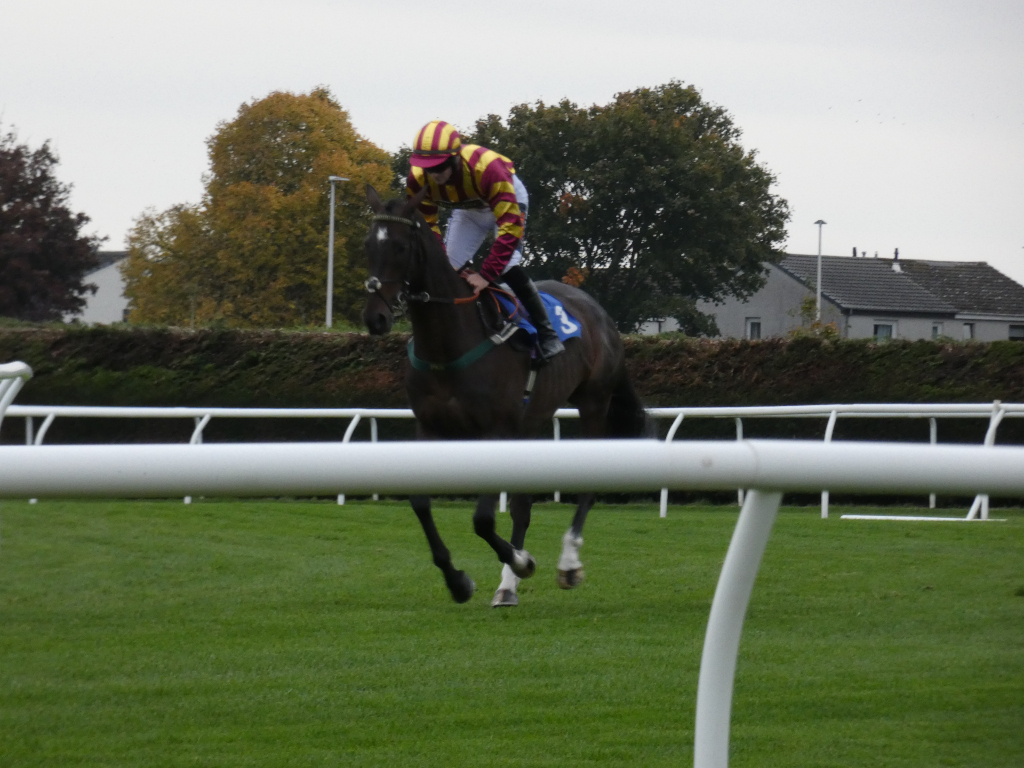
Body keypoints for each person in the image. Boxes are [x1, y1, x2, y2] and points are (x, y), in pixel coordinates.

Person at [406, 120, 565, 364]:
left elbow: (510, 228)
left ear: (455, 158)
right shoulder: (418, 179)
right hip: (469, 209)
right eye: (428, 168)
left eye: (439, 167)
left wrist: (487, 275)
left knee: (508, 266)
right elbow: (429, 227)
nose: (434, 174)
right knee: (444, 271)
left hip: (505, 201)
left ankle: (547, 333)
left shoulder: (488, 169)